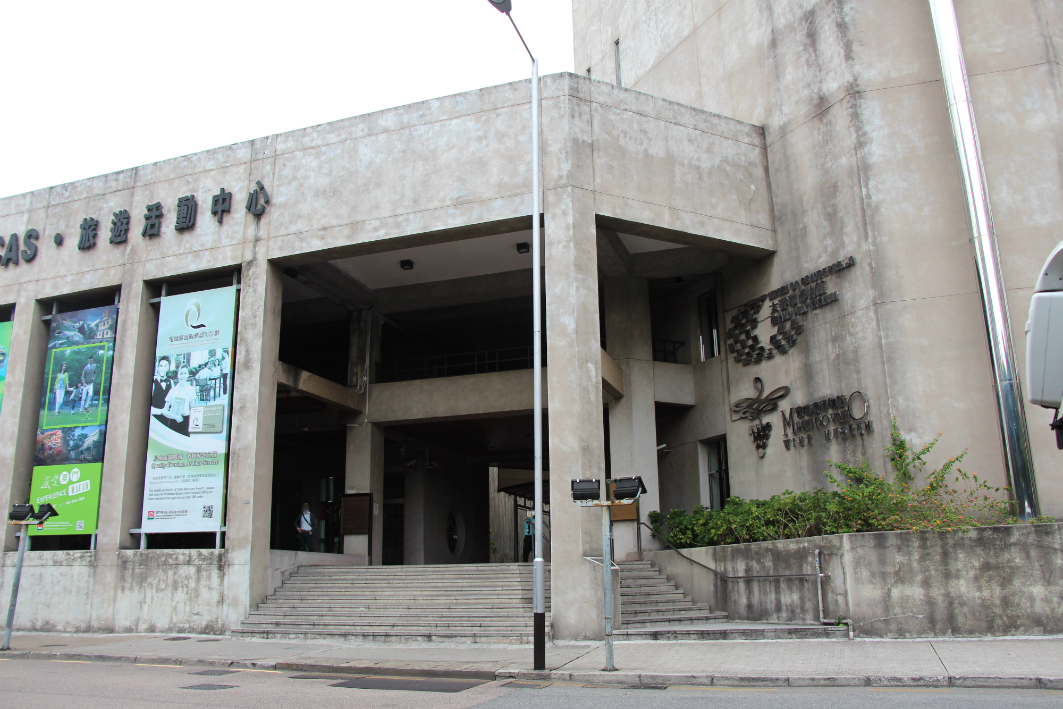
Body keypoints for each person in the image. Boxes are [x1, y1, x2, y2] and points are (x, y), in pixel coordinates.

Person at [162, 365, 196, 436]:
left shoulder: (191, 390)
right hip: (173, 423)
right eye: (181, 373)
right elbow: (164, 411)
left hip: (185, 422)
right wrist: (175, 417)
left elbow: (194, 410)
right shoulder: (172, 391)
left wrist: (187, 412)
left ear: (187, 375)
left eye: (185, 373)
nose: (183, 376)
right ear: (178, 375)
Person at [150, 357, 173, 427]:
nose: (163, 369)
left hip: (167, 420)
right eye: (161, 366)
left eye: (165, 366)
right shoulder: (152, 383)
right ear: (158, 368)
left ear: (168, 368)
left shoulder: (170, 382)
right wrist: (161, 411)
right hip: (154, 420)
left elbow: (172, 401)